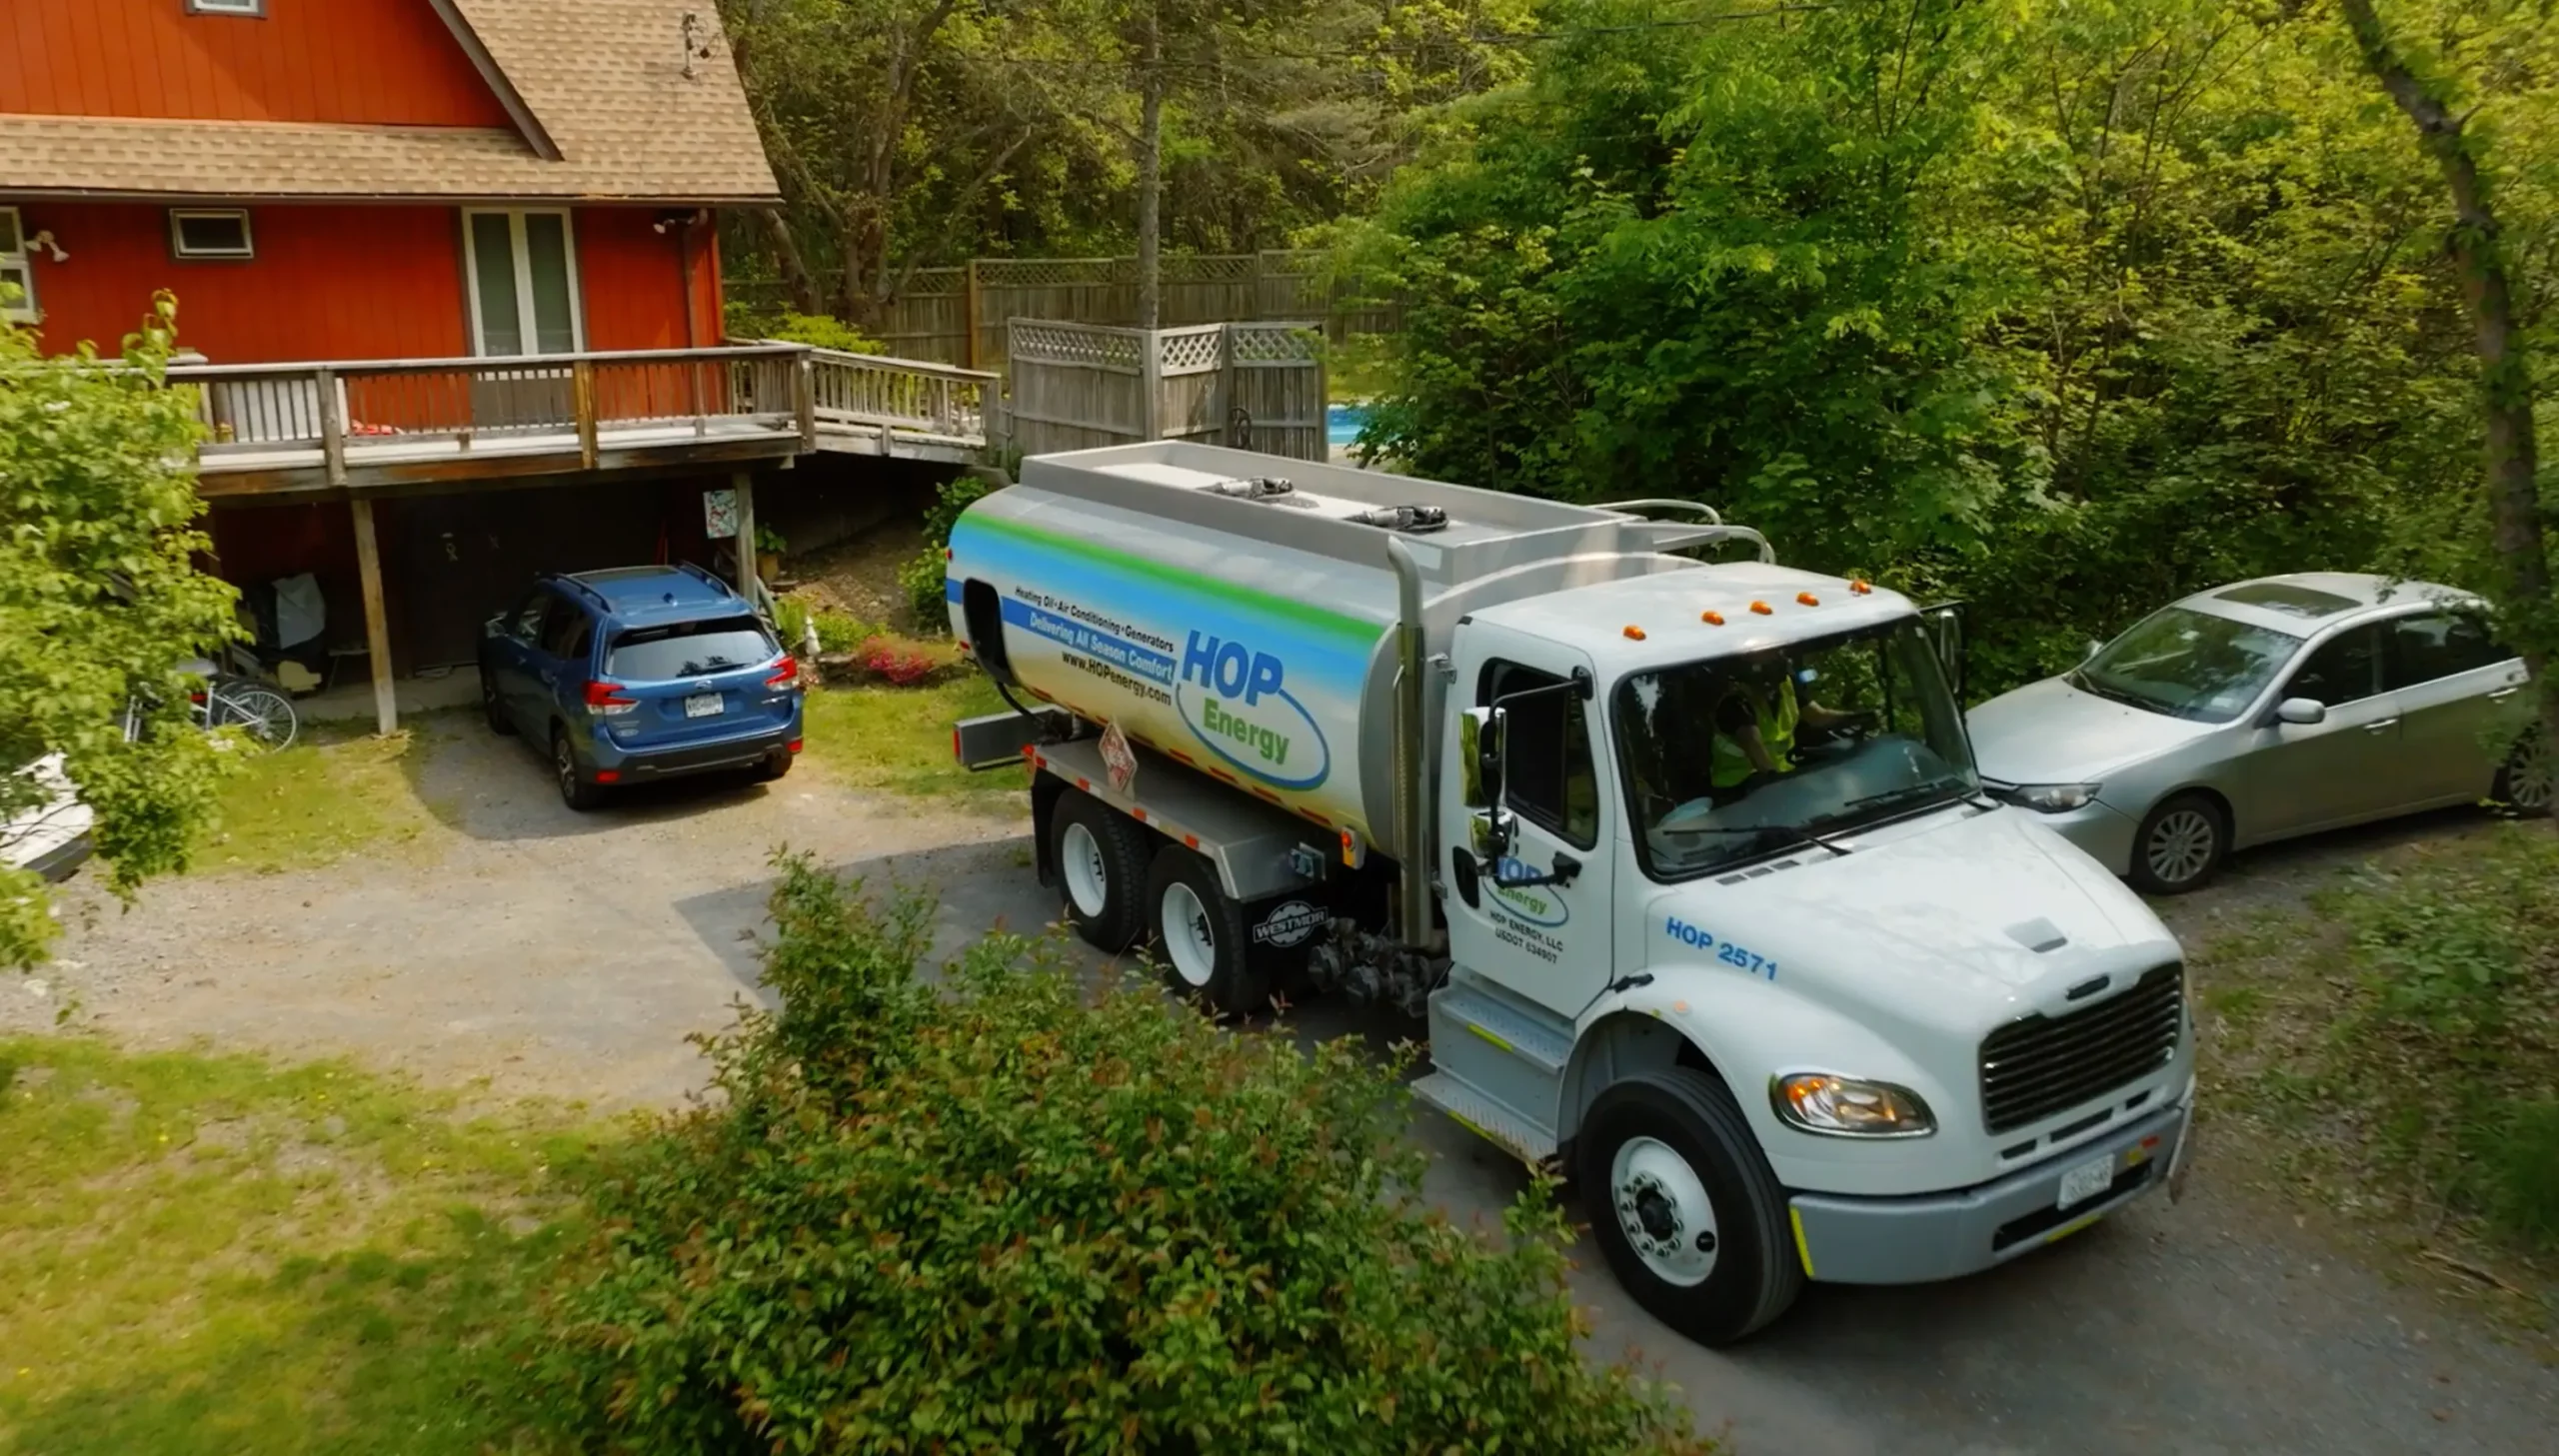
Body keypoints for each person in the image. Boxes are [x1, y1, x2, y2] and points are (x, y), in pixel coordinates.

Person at [1709, 658, 1860, 791]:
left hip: (1778, 778)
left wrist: (1855, 718)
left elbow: (1816, 715)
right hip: (1737, 790)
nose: (1772, 688)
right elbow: (1757, 752)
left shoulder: (1786, 687)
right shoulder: (1735, 704)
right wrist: (1787, 786)